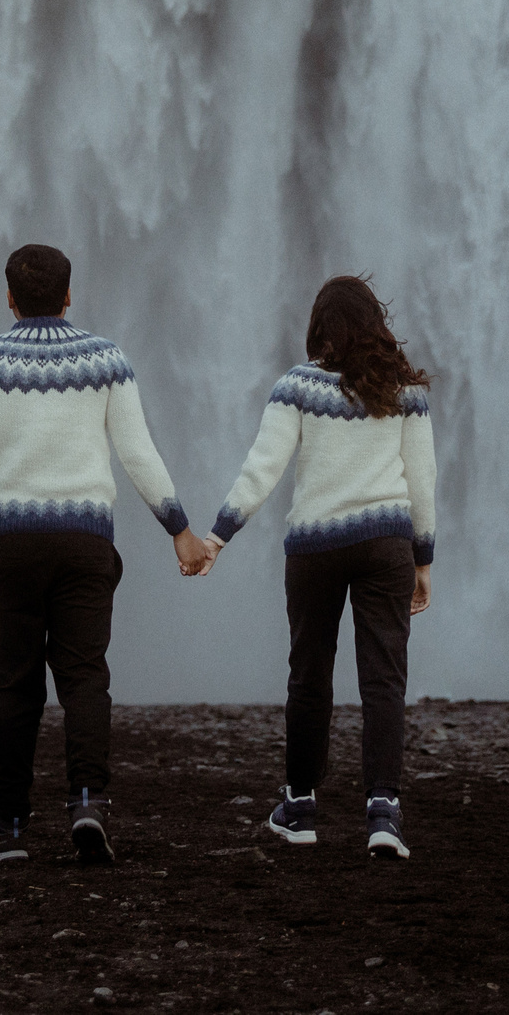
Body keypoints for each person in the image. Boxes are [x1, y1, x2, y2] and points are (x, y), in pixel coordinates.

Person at [0, 243, 215, 864]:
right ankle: (87, 803)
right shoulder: (106, 360)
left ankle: (8, 829)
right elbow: (137, 453)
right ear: (69, 295)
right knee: (85, 677)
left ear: (8, 297)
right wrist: (179, 528)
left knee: (16, 686)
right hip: (87, 543)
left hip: (11, 543)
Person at [202, 274, 435, 859]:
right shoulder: (404, 390)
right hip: (386, 544)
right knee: (384, 677)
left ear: (319, 327)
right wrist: (423, 556)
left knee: (309, 674)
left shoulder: (296, 387)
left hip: (315, 548)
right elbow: (422, 481)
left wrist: (217, 536)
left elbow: (263, 468)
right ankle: (383, 811)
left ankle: (300, 806)